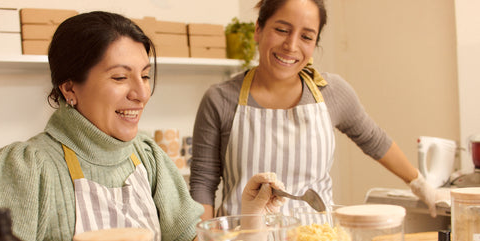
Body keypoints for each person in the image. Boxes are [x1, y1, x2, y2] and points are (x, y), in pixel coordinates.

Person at [0, 11, 285, 241]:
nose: (141, 93)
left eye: (146, 75)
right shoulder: (24, 170)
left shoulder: (147, 157)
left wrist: (252, 222)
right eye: (121, 77)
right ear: (69, 88)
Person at [190, 0, 444, 220]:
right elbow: (203, 183)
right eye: (281, 30)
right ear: (258, 29)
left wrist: (419, 184)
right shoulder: (220, 99)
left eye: (306, 37)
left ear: (314, 44)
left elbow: (373, 139)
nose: (291, 45)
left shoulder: (332, 92)